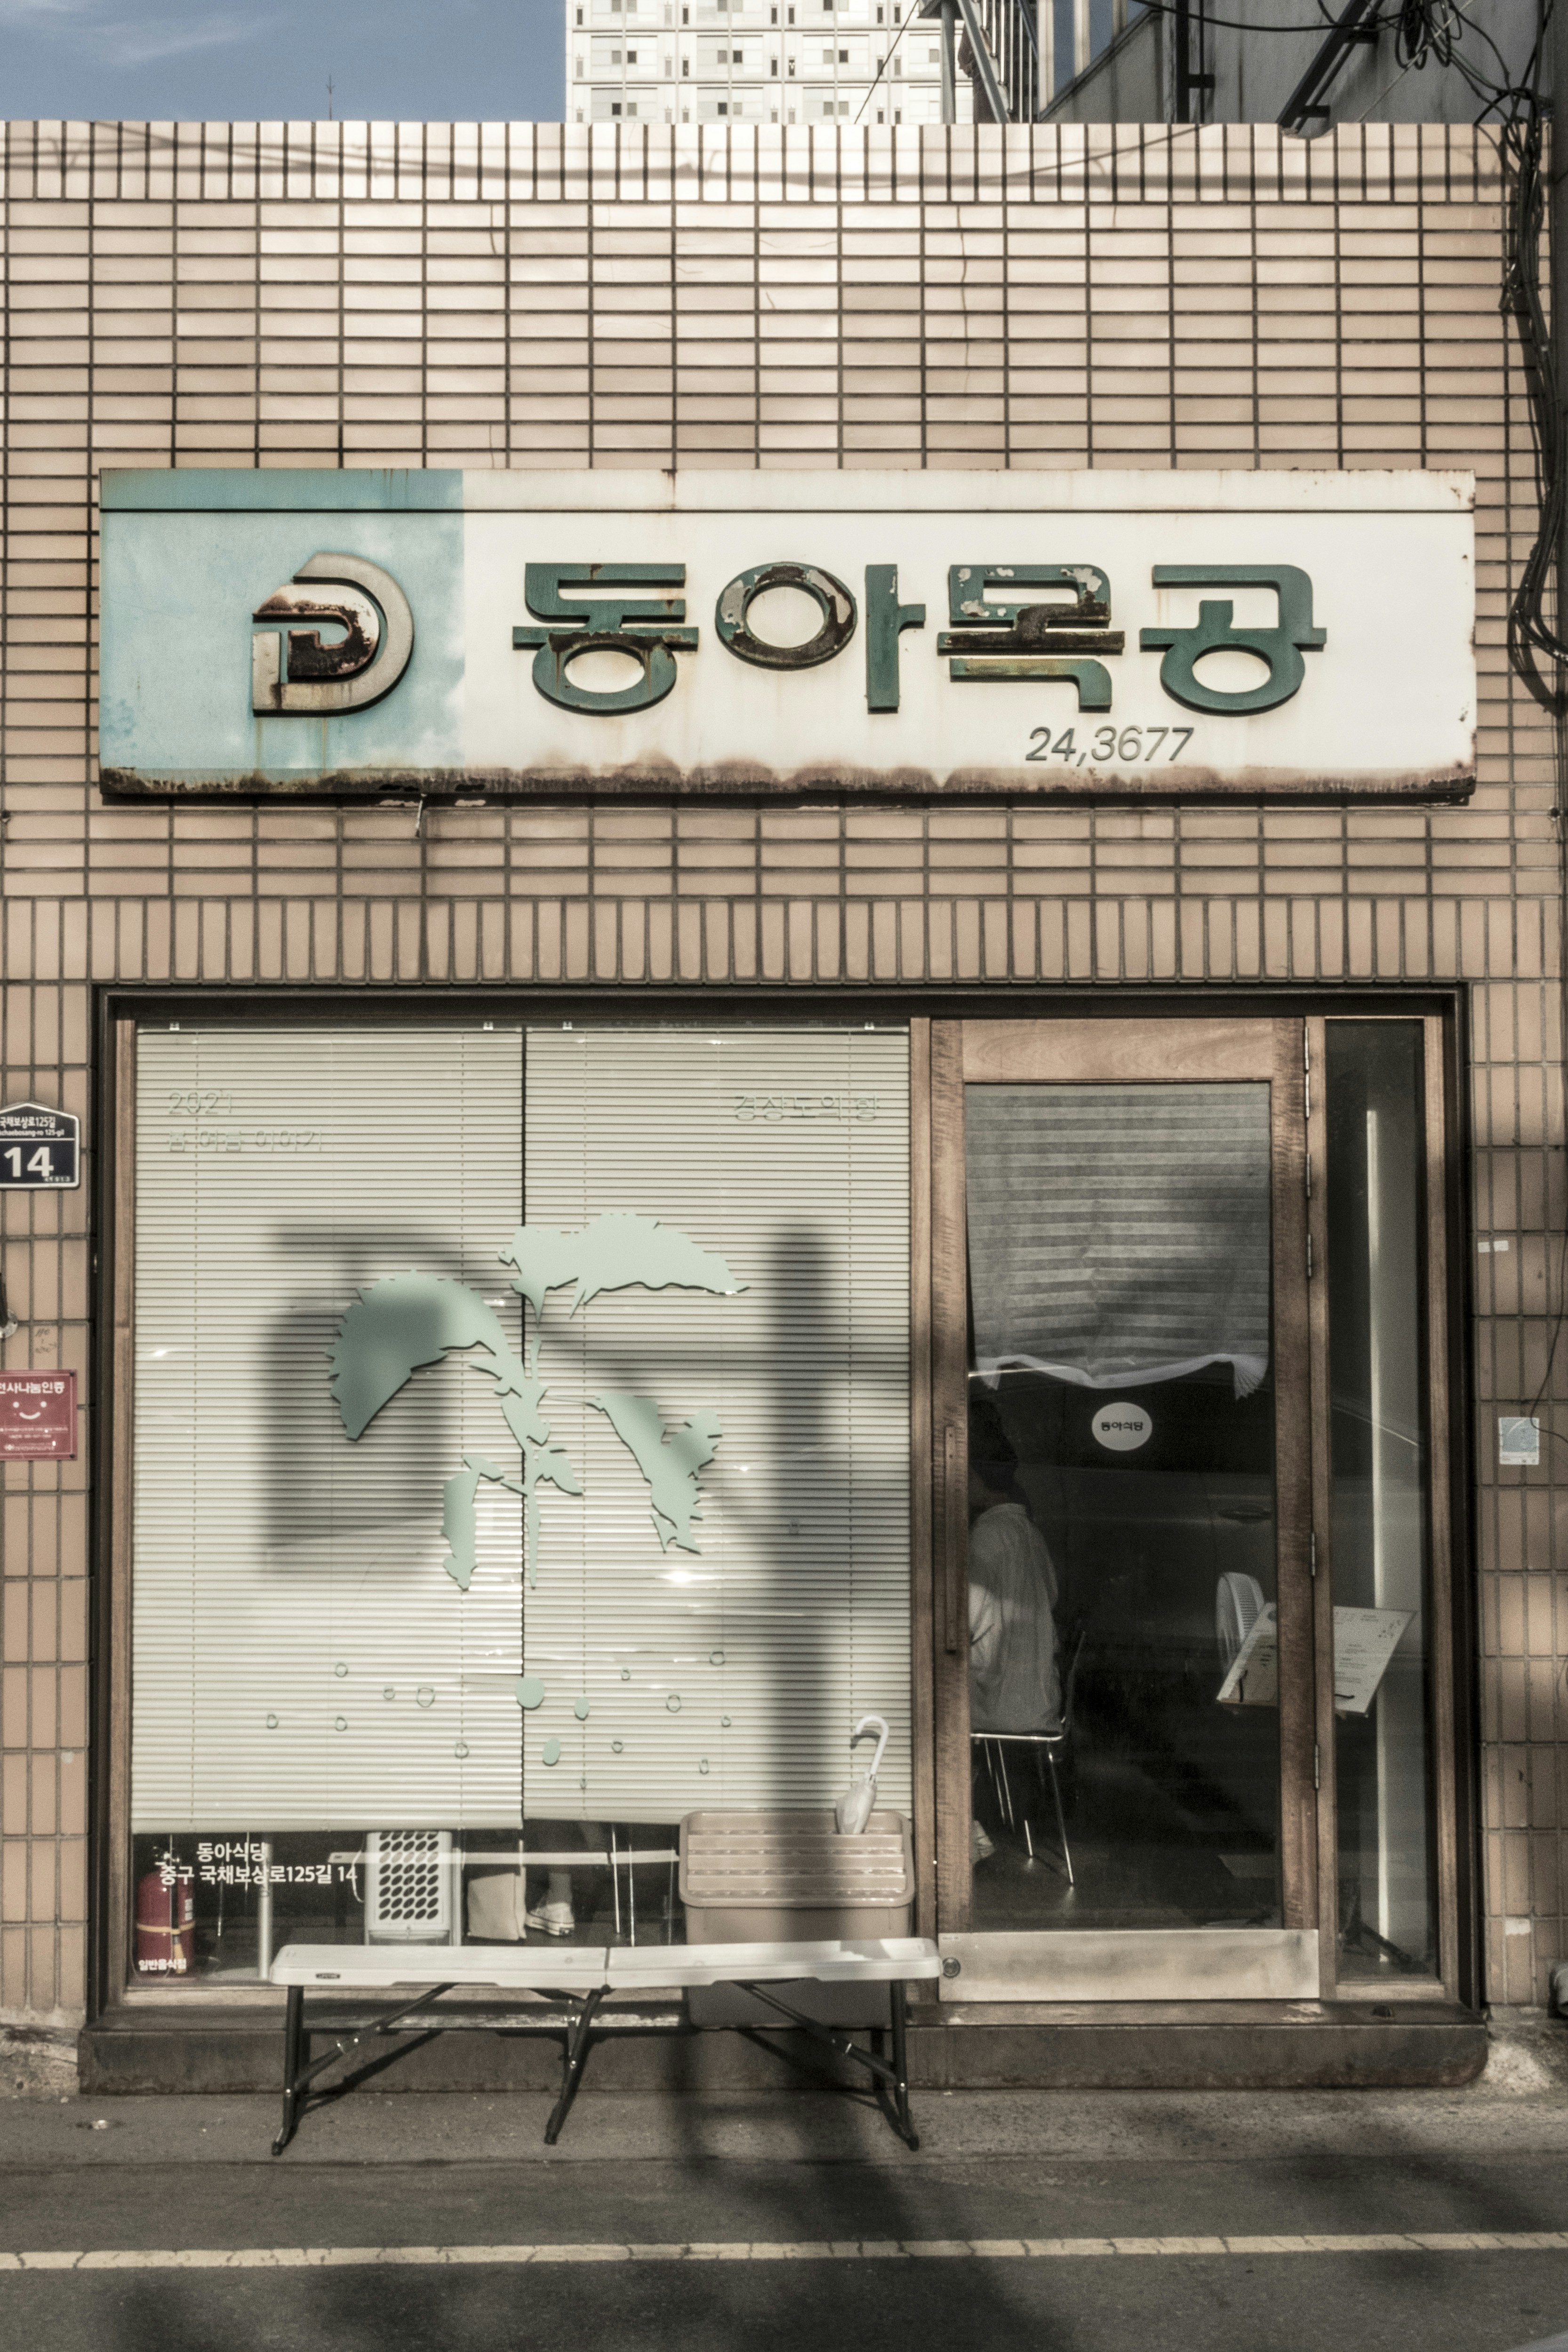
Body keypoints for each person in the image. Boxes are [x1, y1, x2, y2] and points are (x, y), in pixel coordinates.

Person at [968, 1406, 1061, 1862]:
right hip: (1037, 1697)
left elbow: (955, 1625)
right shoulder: (1026, 1531)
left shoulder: (984, 1540)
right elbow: (1054, 1596)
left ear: (971, 1477)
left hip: (998, 1704)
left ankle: (962, 1837)